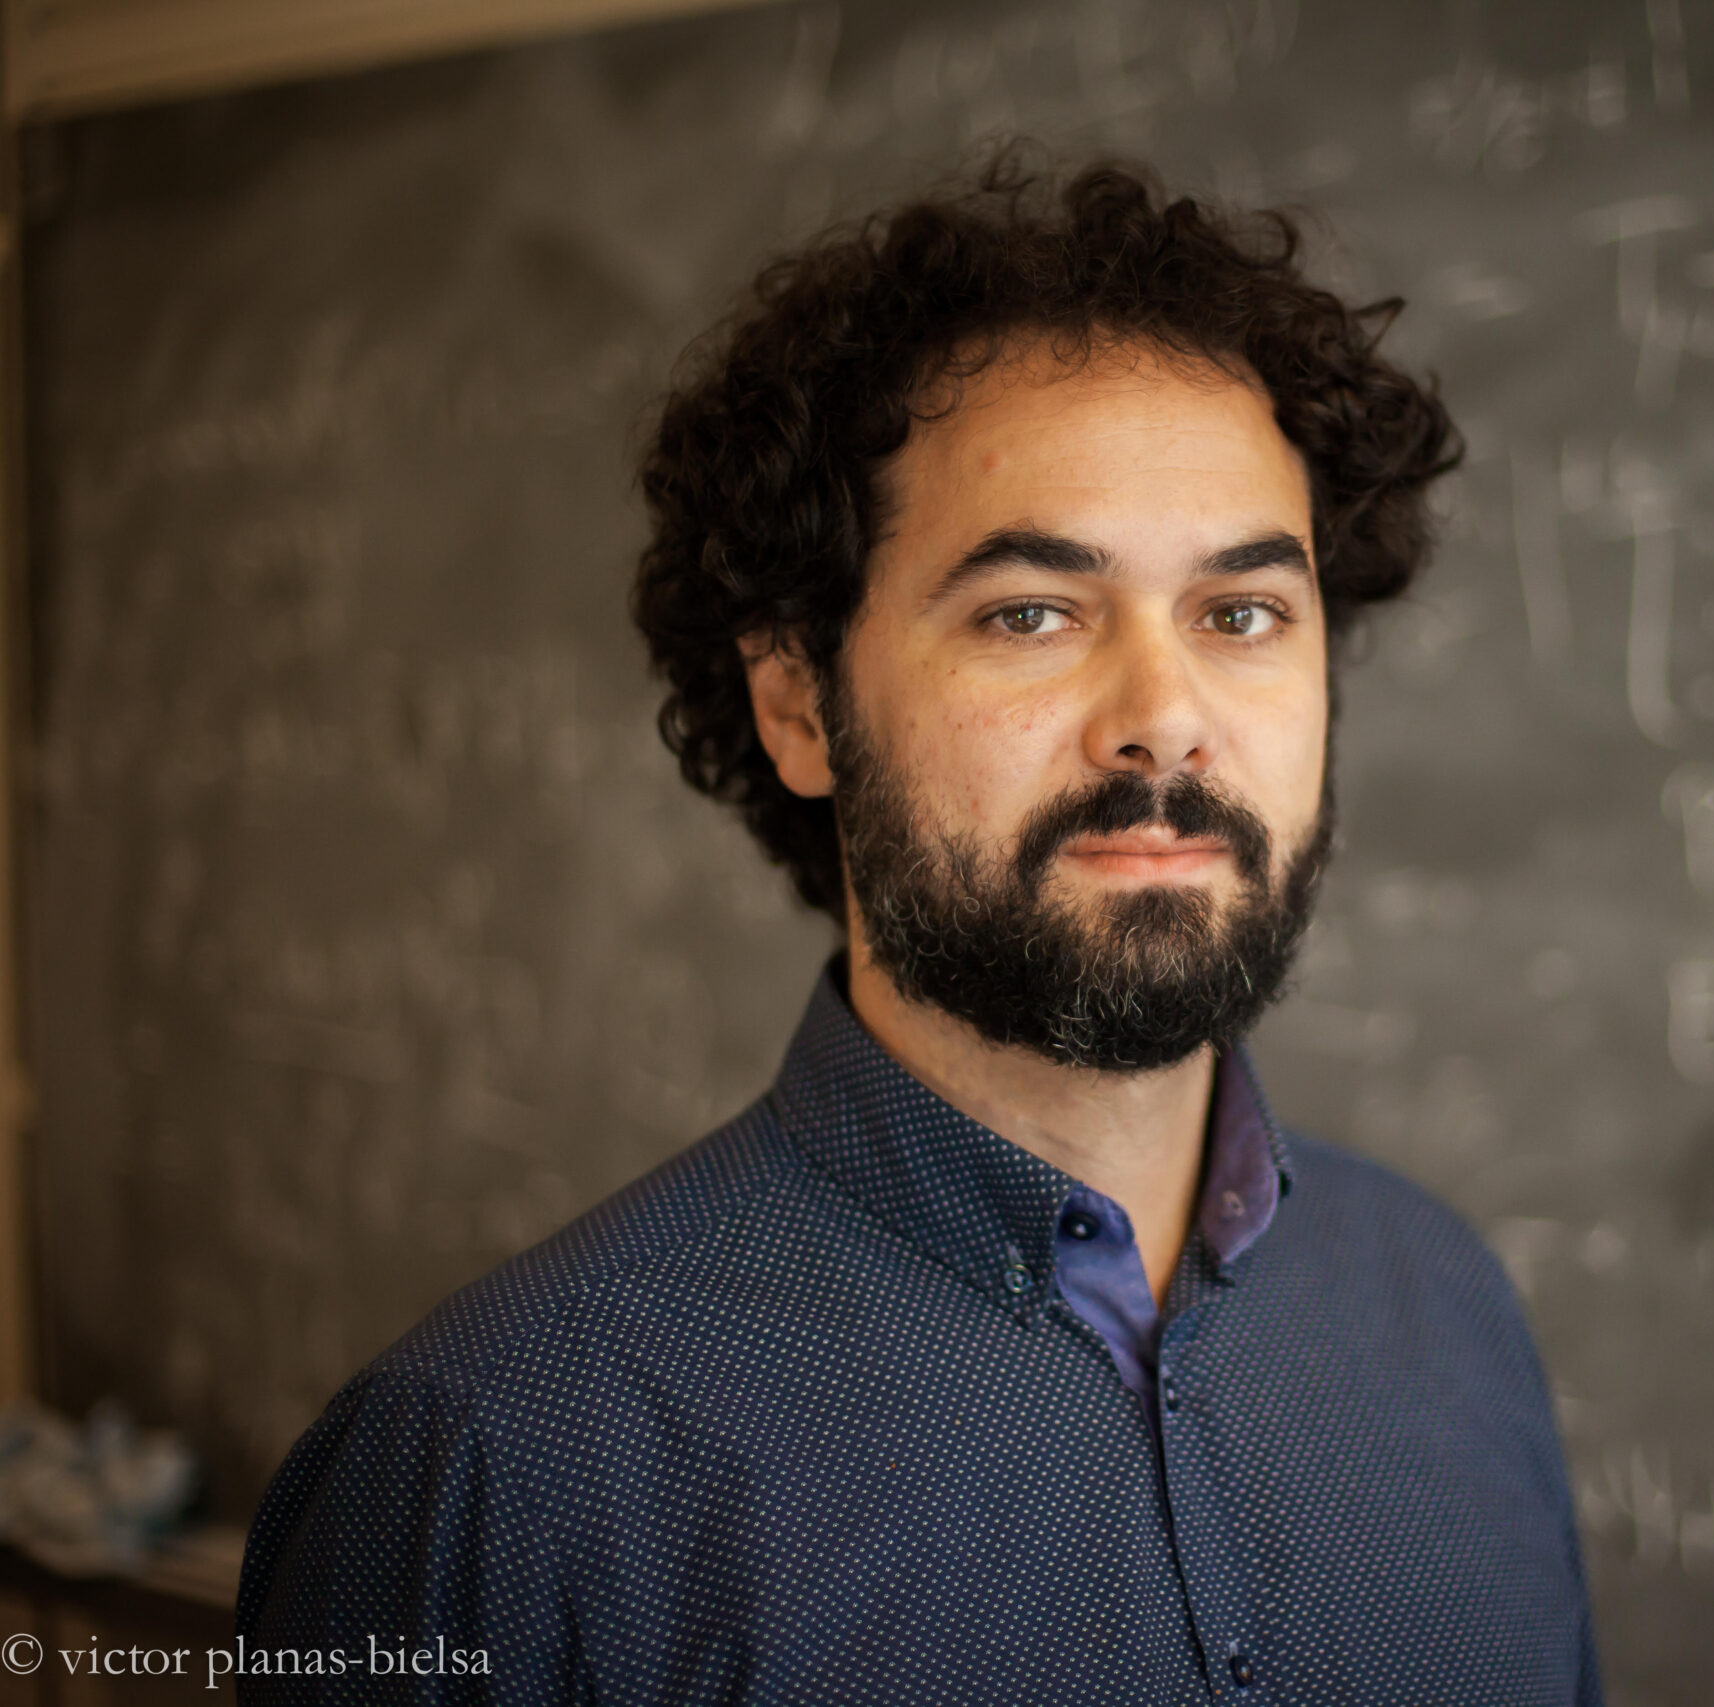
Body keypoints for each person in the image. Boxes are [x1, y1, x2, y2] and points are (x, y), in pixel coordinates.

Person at [233, 155, 1601, 1705]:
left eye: (1240, 614)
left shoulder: (1451, 1313)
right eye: (1031, 612)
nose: (1164, 723)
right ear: (799, 705)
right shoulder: (487, 1469)